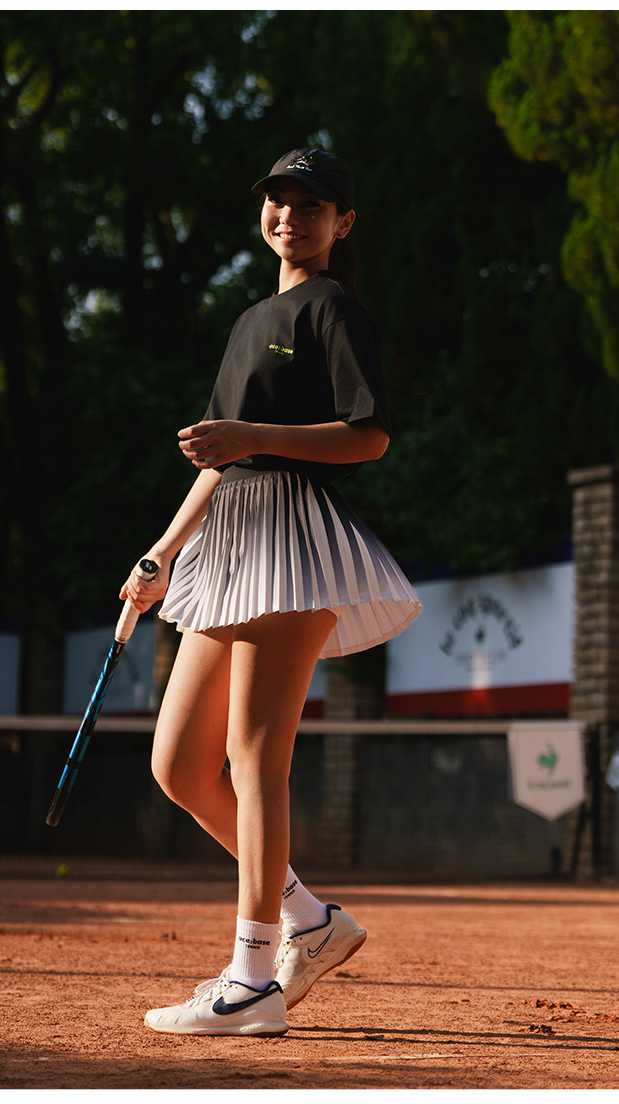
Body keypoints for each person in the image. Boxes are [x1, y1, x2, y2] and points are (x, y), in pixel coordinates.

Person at [121, 147, 422, 1036]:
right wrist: (161, 553)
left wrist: (253, 432)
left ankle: (253, 979)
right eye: (279, 200)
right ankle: (310, 919)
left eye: (311, 204)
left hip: (293, 542)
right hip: (225, 541)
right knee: (179, 765)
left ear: (342, 222)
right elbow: (220, 459)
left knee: (254, 759)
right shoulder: (252, 317)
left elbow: (369, 436)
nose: (290, 214)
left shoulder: (332, 306)